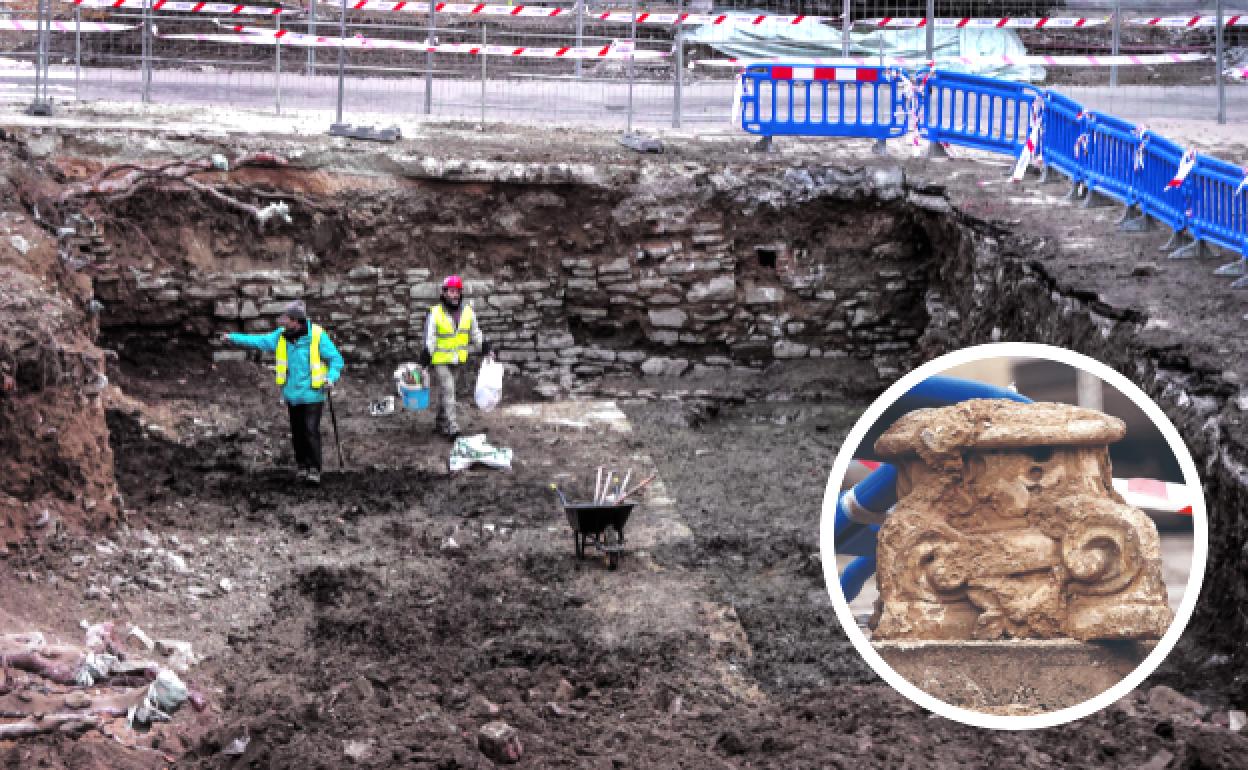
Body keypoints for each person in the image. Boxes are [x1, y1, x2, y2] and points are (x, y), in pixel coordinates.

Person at [220, 300, 344, 485]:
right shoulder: (280, 336)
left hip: (312, 394)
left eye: (286, 318)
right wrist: (232, 338)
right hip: (292, 395)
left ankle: (314, 469)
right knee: (298, 432)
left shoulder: (317, 336)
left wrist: (331, 377)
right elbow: (257, 341)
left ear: (296, 321)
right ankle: (302, 466)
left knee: (310, 430)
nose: (282, 321)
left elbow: (336, 359)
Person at [423, 275, 492, 437]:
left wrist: (486, 348)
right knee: (449, 390)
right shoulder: (435, 312)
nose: (454, 295)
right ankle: (452, 427)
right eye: (451, 291)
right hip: (440, 360)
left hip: (458, 359)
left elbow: (475, 334)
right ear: (444, 293)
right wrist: (425, 358)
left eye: (457, 292)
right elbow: (430, 338)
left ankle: (441, 422)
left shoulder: (468, 312)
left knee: (447, 392)